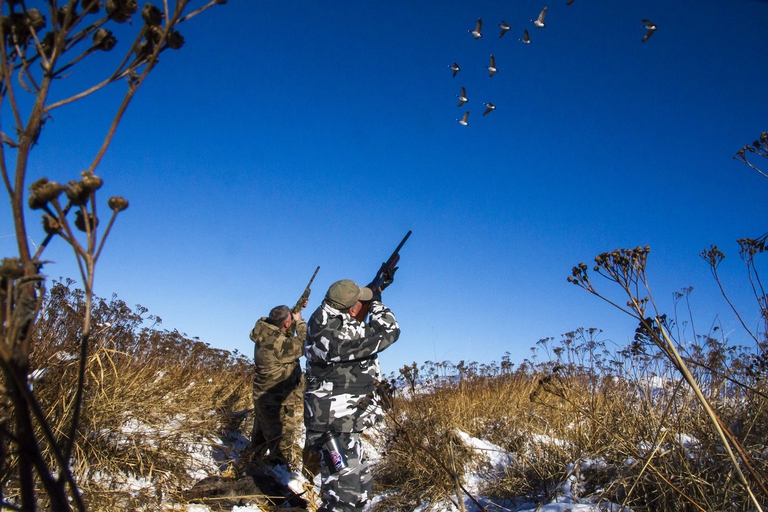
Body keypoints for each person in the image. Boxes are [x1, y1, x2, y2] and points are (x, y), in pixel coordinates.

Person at [304, 278, 400, 512]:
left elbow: (350, 315)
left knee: (362, 491)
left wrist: (375, 288)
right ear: (347, 306)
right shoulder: (338, 333)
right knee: (341, 498)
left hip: (344, 420)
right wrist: (376, 303)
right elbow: (390, 331)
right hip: (334, 423)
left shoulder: (321, 316)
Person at [244, 304, 306, 475]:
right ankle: (275, 489)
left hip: (263, 400)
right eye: (290, 320)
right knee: (282, 452)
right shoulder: (279, 344)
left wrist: (296, 308)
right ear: (286, 324)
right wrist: (299, 322)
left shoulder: (264, 334)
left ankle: (244, 471)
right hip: (278, 404)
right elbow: (303, 343)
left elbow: (283, 332)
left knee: (258, 444)